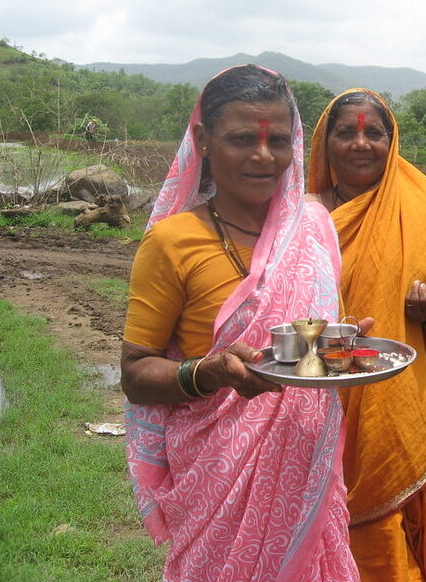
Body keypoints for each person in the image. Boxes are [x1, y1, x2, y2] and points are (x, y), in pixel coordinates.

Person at [121, 65, 360, 582]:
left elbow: (306, 349)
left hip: (305, 468)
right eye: (241, 140)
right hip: (216, 481)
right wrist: (208, 374)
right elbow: (136, 374)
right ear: (203, 140)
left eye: (278, 140)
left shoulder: (314, 228)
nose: (263, 156)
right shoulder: (172, 242)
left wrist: (340, 345)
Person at [307, 89, 426, 581]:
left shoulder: (420, 205)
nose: (360, 143)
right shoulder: (301, 215)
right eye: (346, 132)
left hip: (398, 393)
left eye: (374, 132)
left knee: (396, 510)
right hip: (314, 395)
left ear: (392, 140)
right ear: (325, 142)